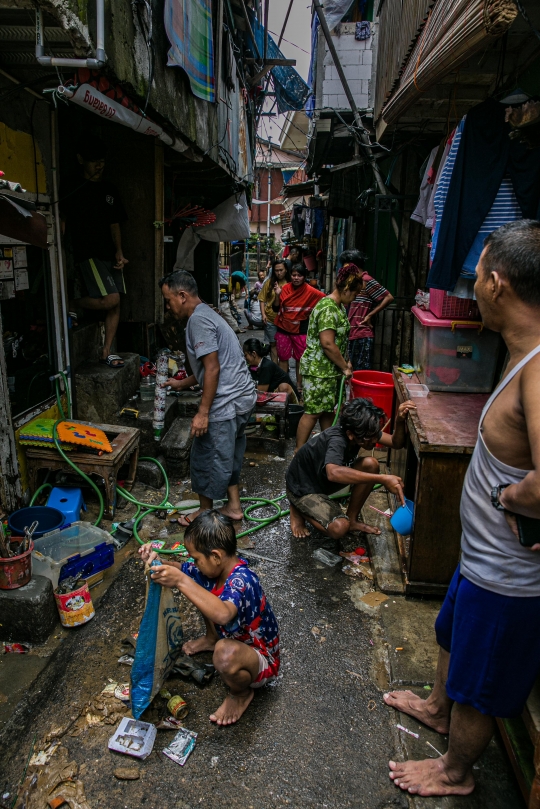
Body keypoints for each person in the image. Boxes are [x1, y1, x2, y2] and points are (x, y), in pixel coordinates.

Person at [384, 220, 540, 798]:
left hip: (507, 578)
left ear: (498, 284)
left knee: (480, 682)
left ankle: (456, 770)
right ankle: (435, 707)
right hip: (479, 564)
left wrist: (508, 497)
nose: (472, 284)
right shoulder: (522, 353)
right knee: (450, 635)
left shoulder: (539, 368)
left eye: (477, 274)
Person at [140, 510, 280, 725]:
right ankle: (211, 638)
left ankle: (240, 694)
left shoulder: (243, 579)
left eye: (196, 558)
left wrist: (180, 582)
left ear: (215, 556)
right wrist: (157, 563)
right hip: (234, 637)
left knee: (224, 653)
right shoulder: (212, 569)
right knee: (199, 588)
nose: (193, 564)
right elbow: (181, 569)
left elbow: (223, 614)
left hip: (259, 657)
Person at [160, 270, 256, 526]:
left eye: (168, 300)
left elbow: (213, 368)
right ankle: (233, 507)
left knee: (207, 455)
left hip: (227, 403)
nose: (168, 307)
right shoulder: (209, 314)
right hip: (243, 399)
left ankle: (204, 513)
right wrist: (182, 383)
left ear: (182, 296)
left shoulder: (198, 321)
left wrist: (203, 413)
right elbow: (210, 367)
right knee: (230, 455)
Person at [286, 396, 415, 542]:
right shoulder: (337, 439)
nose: (375, 441)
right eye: (369, 438)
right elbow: (333, 473)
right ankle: (298, 509)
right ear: (350, 435)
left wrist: (399, 420)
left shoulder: (363, 430)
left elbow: (395, 442)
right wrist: (383, 479)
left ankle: (353, 519)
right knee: (340, 528)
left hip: (321, 482)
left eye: (375, 435)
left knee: (371, 465)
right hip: (302, 488)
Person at [61, 137, 129, 368]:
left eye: (102, 162)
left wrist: (119, 252)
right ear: (80, 160)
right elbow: (62, 221)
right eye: (94, 162)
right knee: (111, 299)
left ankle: (107, 350)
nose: (99, 166)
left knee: (117, 303)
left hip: (109, 253)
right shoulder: (71, 188)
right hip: (87, 253)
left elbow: (114, 224)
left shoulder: (109, 189)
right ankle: (72, 302)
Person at [296, 263, 364, 450]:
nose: (355, 298)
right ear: (346, 289)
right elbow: (327, 343)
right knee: (312, 413)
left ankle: (329, 449)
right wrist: (344, 366)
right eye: (355, 293)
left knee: (327, 412)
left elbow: (340, 340)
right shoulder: (328, 308)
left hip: (329, 371)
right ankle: (298, 452)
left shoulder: (339, 307)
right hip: (319, 371)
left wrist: (346, 360)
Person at [273, 264, 325, 392]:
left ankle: (299, 387)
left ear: (304, 277)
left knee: (300, 359)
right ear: (290, 276)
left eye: (299, 275)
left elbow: (325, 301)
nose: (296, 278)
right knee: (283, 357)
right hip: (283, 328)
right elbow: (275, 308)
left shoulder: (312, 292)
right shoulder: (283, 289)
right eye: (294, 275)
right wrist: (277, 295)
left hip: (301, 330)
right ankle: (284, 385)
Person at [341, 249, 393, 371]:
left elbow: (388, 297)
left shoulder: (366, 279)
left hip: (361, 332)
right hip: (350, 332)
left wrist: (369, 315)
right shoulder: (351, 281)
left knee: (360, 372)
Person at [243, 338, 298, 403]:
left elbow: (260, 392)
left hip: (287, 397)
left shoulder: (266, 366)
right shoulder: (253, 367)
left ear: (254, 354)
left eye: (246, 355)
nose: (245, 358)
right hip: (273, 395)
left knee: (283, 387)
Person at [258, 259, 291, 363]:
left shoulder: (290, 283)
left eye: (281, 270)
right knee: (273, 344)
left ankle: (283, 367)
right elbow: (262, 299)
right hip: (271, 318)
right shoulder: (269, 283)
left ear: (286, 270)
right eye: (276, 270)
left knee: (284, 345)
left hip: (286, 320)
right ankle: (275, 368)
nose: (279, 272)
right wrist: (263, 314)